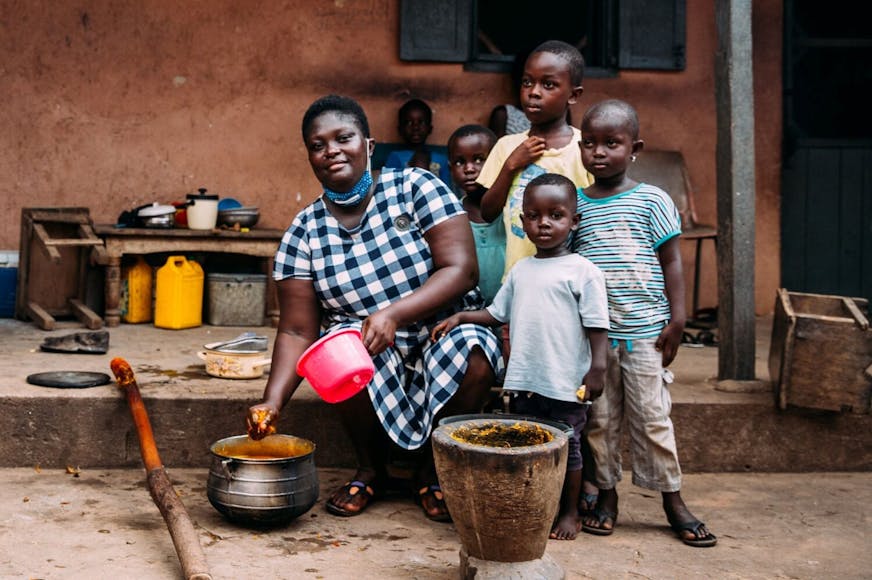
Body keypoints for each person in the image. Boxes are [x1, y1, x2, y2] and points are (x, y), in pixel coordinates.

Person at [247, 95, 503, 523]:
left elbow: (461, 270)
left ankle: (432, 470)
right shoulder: (302, 233)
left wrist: (396, 314)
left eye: (343, 137)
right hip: (367, 342)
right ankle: (372, 468)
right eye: (317, 144)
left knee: (475, 353)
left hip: (443, 325)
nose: (330, 150)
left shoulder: (416, 187)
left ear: (368, 144)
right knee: (334, 350)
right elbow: (295, 331)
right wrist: (271, 403)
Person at [431, 173, 609, 540]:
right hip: (526, 382)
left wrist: (598, 369)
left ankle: (569, 512)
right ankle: (532, 507)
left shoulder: (583, 272)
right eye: (534, 215)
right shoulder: (522, 270)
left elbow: (597, 326)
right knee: (528, 448)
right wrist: (463, 316)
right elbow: (498, 314)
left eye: (555, 215)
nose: (544, 223)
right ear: (522, 220)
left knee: (569, 449)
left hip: (564, 384)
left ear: (573, 221)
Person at [573, 99, 717, 547]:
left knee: (653, 419)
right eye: (591, 143)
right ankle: (608, 494)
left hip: (646, 333)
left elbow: (672, 261)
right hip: (596, 338)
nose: (599, 152)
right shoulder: (574, 205)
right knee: (600, 419)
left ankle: (672, 499)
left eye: (611, 144)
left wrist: (678, 318)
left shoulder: (652, 199)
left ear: (634, 147)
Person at [477, 39, 592, 281]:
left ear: (573, 94)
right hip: (518, 278)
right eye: (527, 82)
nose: (534, 92)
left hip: (571, 279)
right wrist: (511, 165)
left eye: (548, 84)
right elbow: (487, 212)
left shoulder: (585, 150)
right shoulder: (506, 147)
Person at [447, 124, 504, 305]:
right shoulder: (451, 214)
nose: (469, 168)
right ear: (450, 169)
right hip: (467, 314)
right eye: (459, 162)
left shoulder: (513, 211)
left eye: (479, 159)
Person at [383, 98, 452, 185]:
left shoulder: (442, 160)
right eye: (408, 123)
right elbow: (390, 188)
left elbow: (446, 190)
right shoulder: (395, 157)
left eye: (421, 122)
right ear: (400, 129)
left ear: (430, 128)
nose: (415, 127)